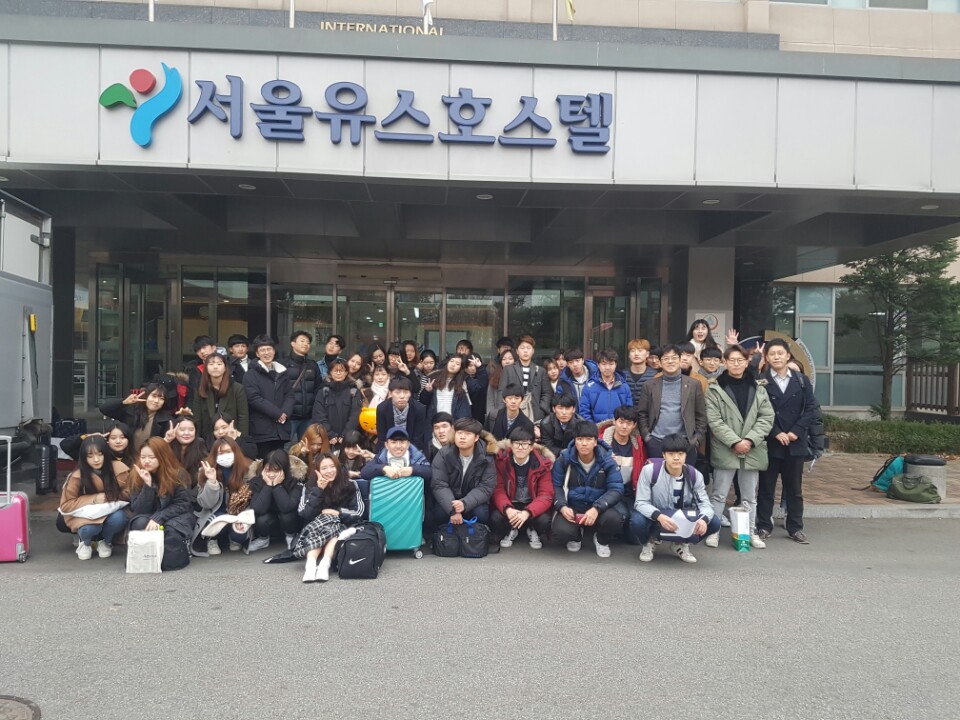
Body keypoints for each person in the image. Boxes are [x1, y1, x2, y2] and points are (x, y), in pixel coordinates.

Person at [704, 344, 775, 549]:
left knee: (750, 496)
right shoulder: (715, 388)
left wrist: (750, 440)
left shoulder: (759, 388)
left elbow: (766, 417)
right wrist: (735, 441)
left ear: (747, 362)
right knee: (719, 494)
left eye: (740, 360)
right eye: (732, 360)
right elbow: (714, 421)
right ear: (725, 363)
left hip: (753, 448)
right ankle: (713, 532)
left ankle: (750, 532)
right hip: (725, 448)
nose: (736, 364)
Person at [755, 339, 818, 544]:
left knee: (794, 489)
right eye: (772, 354)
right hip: (771, 441)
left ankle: (795, 527)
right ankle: (764, 526)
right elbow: (757, 411)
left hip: (795, 442)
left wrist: (795, 432)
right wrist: (776, 432)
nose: (776, 357)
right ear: (767, 357)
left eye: (780, 353)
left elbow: (811, 408)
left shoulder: (801, 380)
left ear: (788, 355)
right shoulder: (761, 381)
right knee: (766, 488)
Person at [631, 433, 720, 564]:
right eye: (671, 454)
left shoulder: (695, 475)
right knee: (636, 520)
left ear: (686, 455)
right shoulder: (650, 471)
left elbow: (705, 504)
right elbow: (640, 502)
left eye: (680, 454)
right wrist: (659, 516)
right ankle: (648, 542)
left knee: (714, 522)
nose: (676, 458)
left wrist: (703, 519)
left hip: (682, 517)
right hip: (656, 517)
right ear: (664, 455)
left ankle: (681, 543)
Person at [551, 420, 626, 557]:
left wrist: (597, 508)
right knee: (560, 530)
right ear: (575, 441)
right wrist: (562, 506)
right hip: (573, 505)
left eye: (588, 439)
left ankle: (601, 540)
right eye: (580, 439)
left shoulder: (607, 460)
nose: (584, 443)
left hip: (599, 506)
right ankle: (576, 535)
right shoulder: (564, 459)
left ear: (595, 442)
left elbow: (616, 489)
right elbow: (556, 486)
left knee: (615, 519)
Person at [294, 453, 365, 582]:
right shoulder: (309, 486)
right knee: (324, 524)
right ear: (317, 471)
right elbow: (304, 513)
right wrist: (319, 490)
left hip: (342, 524)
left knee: (334, 528)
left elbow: (359, 512)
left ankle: (324, 564)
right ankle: (311, 565)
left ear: (338, 467)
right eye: (324, 468)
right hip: (317, 526)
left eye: (332, 466)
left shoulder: (350, 484)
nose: (329, 471)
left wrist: (338, 513)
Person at [59, 436, 130, 560]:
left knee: (119, 518)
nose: (96, 460)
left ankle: (105, 541)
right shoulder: (77, 476)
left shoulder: (119, 469)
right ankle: (85, 542)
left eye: (100, 455)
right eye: (90, 456)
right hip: (87, 516)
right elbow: (66, 505)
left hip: (111, 511)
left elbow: (130, 493)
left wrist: (112, 496)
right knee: (90, 528)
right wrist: (94, 498)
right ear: (84, 458)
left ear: (106, 454)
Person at [128, 438, 195, 569]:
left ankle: (178, 550)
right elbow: (138, 508)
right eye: (143, 457)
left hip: (176, 515)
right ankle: (148, 556)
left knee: (170, 529)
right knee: (140, 523)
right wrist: (147, 485)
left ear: (162, 456)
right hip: (149, 514)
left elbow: (182, 504)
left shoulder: (177, 474)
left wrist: (159, 517)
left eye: (152, 457)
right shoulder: (136, 475)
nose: (146, 461)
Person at [636, 344, 706, 467]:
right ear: (660, 362)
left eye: (674, 358)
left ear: (680, 360)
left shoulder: (694, 384)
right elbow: (642, 414)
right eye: (666, 358)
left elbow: (701, 415)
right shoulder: (649, 385)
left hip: (686, 443)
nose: (670, 361)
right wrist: (647, 437)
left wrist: (696, 440)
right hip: (657, 442)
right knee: (657, 477)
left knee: (684, 478)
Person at [490, 427, 554, 550]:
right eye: (516, 443)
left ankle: (531, 529)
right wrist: (508, 509)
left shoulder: (542, 464)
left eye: (525, 444)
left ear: (531, 447)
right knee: (495, 518)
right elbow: (498, 490)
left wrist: (527, 512)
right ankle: (511, 529)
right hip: (511, 503)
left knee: (545, 521)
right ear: (511, 445)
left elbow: (546, 495)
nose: (520, 447)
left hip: (532, 504)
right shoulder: (501, 461)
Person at [429, 418, 495, 529]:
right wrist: (453, 510)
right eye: (459, 433)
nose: (462, 437)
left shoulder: (486, 456)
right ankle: (446, 535)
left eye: (467, 434)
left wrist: (465, 503)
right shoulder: (444, 454)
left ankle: (475, 535)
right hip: (451, 499)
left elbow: (486, 487)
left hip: (472, 500)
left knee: (481, 514)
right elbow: (439, 484)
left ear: (476, 437)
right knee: (439, 513)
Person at [193, 437, 253, 556]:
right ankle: (212, 539)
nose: (225, 456)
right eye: (220, 453)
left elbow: (251, 497)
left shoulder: (247, 469)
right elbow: (205, 503)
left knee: (239, 535)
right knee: (216, 521)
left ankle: (234, 538)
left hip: (238, 512)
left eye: (228, 452)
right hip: (215, 512)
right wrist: (212, 482)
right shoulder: (206, 470)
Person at [242, 334, 295, 459]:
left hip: (281, 428)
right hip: (261, 429)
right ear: (257, 353)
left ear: (274, 351)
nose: (266, 353)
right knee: (263, 463)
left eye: (269, 349)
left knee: (280, 462)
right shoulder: (250, 375)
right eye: (262, 350)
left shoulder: (282, 372)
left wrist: (285, 413)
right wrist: (277, 413)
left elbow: (290, 394)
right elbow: (254, 398)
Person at [598, 405, 647, 538]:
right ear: (614, 421)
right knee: (622, 515)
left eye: (629, 423)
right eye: (621, 422)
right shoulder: (601, 443)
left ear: (634, 425)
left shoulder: (638, 445)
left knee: (638, 523)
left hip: (630, 492)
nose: (624, 426)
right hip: (608, 492)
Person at [247, 449, 303, 552]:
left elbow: (287, 507)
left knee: (287, 515)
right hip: (269, 520)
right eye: (268, 470)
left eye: (276, 470)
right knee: (261, 518)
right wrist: (268, 486)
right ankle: (263, 539)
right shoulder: (257, 481)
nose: (272, 474)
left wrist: (277, 486)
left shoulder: (293, 481)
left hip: (288, 521)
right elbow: (258, 508)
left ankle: (291, 537)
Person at [190, 351, 249, 444]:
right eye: (211, 364)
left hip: (231, 437)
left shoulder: (237, 388)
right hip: (208, 438)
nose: (215, 367)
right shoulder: (200, 389)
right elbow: (197, 418)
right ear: (206, 368)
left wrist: (241, 439)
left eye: (219, 364)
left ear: (225, 368)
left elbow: (243, 416)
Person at [99, 382, 175, 451]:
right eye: (153, 396)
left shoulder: (166, 420)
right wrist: (123, 402)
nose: (156, 401)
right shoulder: (131, 412)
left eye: (161, 398)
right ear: (146, 396)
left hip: (151, 458)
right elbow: (104, 409)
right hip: (129, 457)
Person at [498, 335, 552, 422]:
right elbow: (501, 391)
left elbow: (547, 393)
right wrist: (501, 411)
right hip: (512, 411)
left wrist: (542, 409)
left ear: (533, 351)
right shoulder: (508, 369)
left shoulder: (541, 371)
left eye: (528, 348)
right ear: (517, 351)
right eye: (522, 348)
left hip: (535, 413)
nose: (525, 351)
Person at [278, 331, 320, 443]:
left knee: (307, 447)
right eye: (302, 341)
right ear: (293, 343)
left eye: (308, 342)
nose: (306, 344)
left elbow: (318, 389)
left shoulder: (312, 365)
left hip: (308, 417)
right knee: (287, 447)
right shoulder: (282, 364)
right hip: (289, 417)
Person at [312, 358, 363, 446]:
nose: (338, 373)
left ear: (346, 373)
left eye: (341, 371)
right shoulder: (323, 391)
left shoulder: (354, 391)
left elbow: (355, 415)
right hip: (327, 439)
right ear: (330, 373)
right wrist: (330, 434)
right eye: (335, 370)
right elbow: (318, 415)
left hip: (348, 440)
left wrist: (345, 435)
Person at [578, 348, 633, 423]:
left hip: (618, 428)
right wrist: (593, 427)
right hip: (596, 428)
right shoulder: (589, 387)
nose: (607, 367)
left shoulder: (624, 387)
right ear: (598, 365)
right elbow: (584, 412)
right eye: (604, 364)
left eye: (611, 364)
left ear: (615, 365)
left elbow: (629, 412)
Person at [361, 426, 433, 482]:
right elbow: (365, 473)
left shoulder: (417, 456)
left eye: (402, 442)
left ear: (408, 444)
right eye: (393, 442)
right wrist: (383, 468)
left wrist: (412, 470)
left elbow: (429, 472)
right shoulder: (381, 457)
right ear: (386, 445)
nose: (398, 446)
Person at [421, 354, 473, 420]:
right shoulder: (434, 379)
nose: (453, 365)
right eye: (452, 361)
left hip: (452, 422)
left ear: (461, 368)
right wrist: (427, 391)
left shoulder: (461, 384)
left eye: (457, 364)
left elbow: (464, 410)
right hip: (435, 421)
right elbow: (423, 402)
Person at [163, 415, 209, 487]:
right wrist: (166, 440)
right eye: (182, 430)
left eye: (191, 430)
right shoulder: (168, 445)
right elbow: (152, 454)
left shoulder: (200, 446)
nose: (187, 433)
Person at [539, 394, 584, 458]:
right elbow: (547, 445)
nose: (564, 412)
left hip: (575, 455)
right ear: (554, 409)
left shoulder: (581, 423)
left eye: (568, 408)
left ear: (574, 409)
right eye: (560, 408)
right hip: (554, 455)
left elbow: (581, 444)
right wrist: (563, 452)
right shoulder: (546, 423)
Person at [183, 334, 217, 402]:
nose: (202, 351)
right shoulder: (194, 370)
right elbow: (191, 395)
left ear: (213, 347)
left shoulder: (228, 366)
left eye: (204, 347)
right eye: (198, 350)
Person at [624, 338, 657, 407]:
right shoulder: (622, 375)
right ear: (629, 355)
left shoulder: (655, 375)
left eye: (640, 350)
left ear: (647, 354)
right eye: (633, 351)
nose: (636, 354)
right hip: (626, 412)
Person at [486, 348, 517, 418]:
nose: (507, 361)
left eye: (510, 359)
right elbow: (490, 400)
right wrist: (491, 417)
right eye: (504, 359)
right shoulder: (495, 377)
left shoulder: (519, 376)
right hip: (498, 414)